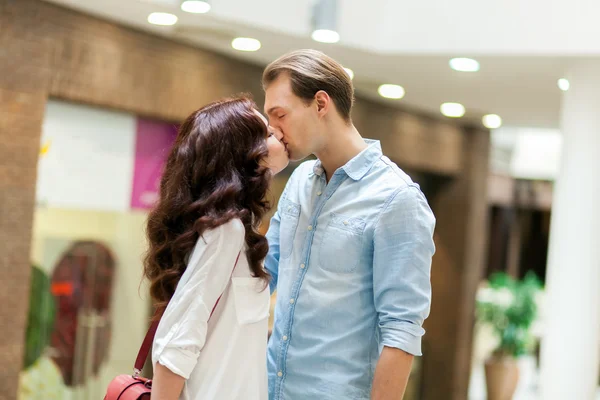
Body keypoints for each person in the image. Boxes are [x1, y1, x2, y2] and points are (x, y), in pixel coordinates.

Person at [263, 49, 436, 400]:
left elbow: (401, 331)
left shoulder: (397, 198)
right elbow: (261, 275)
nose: (273, 130)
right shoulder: (297, 183)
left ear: (321, 104)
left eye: (279, 115)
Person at [145, 96, 289, 400]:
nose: (279, 135)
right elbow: (177, 343)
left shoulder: (231, 227)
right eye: (267, 134)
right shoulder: (227, 231)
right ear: (243, 155)